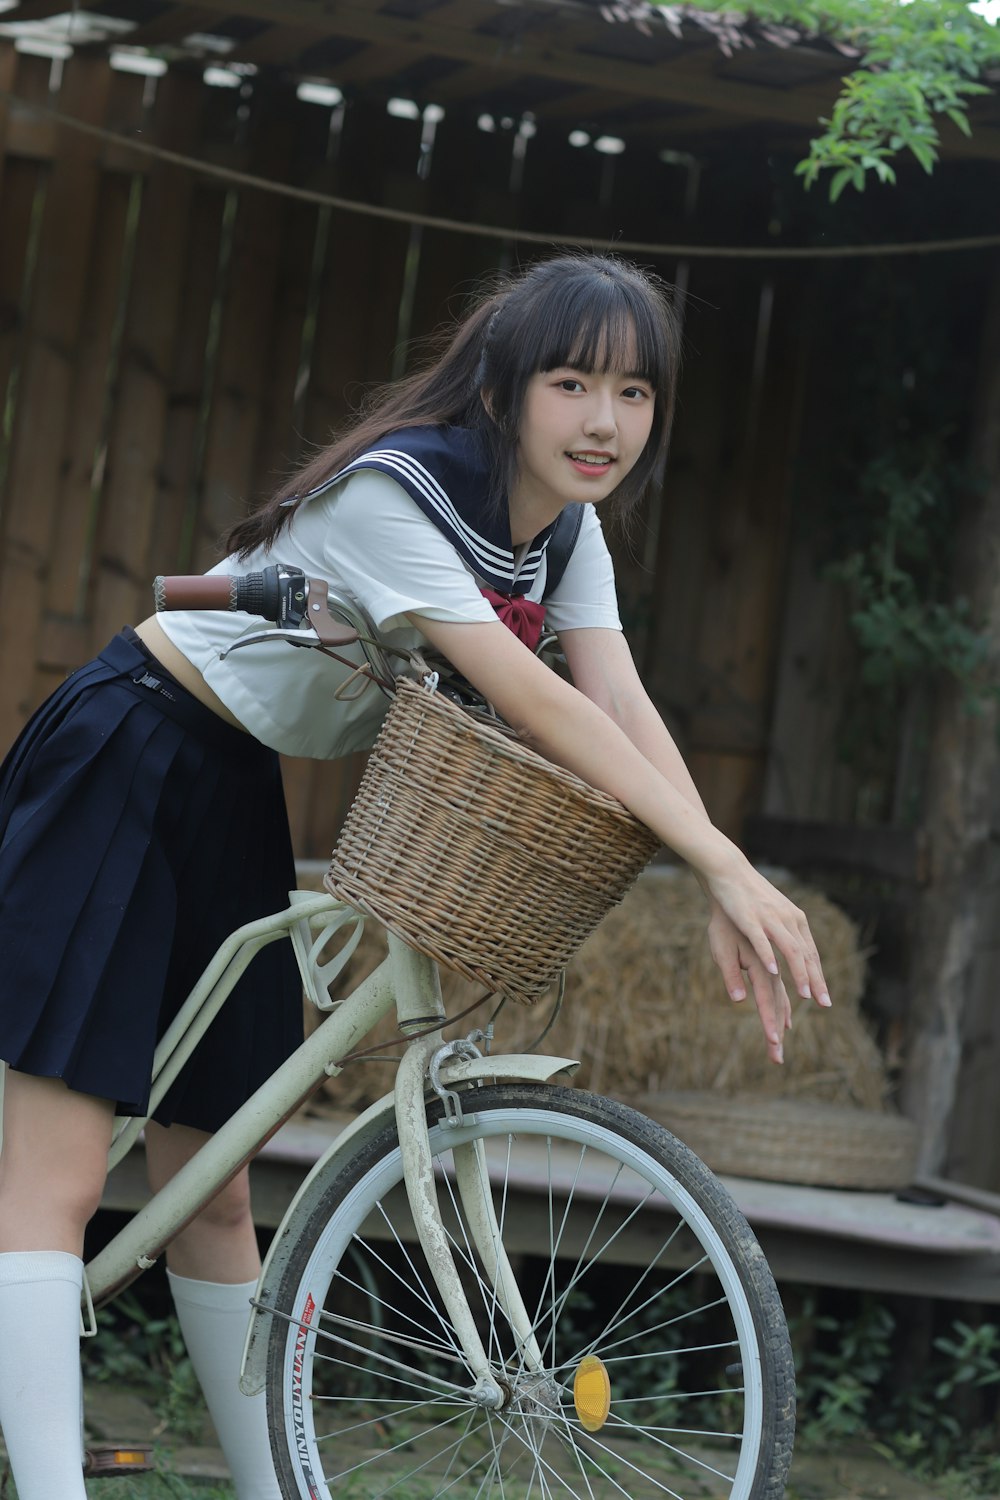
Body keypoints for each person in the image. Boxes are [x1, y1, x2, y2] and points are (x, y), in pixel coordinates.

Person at [0, 252, 831, 1498]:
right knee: (55, 1185)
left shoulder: (567, 534)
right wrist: (714, 859)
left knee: (216, 1197)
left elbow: (619, 697)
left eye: (636, 394)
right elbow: (538, 702)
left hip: (234, 780)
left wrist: (726, 872)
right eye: (572, 383)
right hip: (127, 745)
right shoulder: (400, 492)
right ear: (503, 389)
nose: (606, 422)